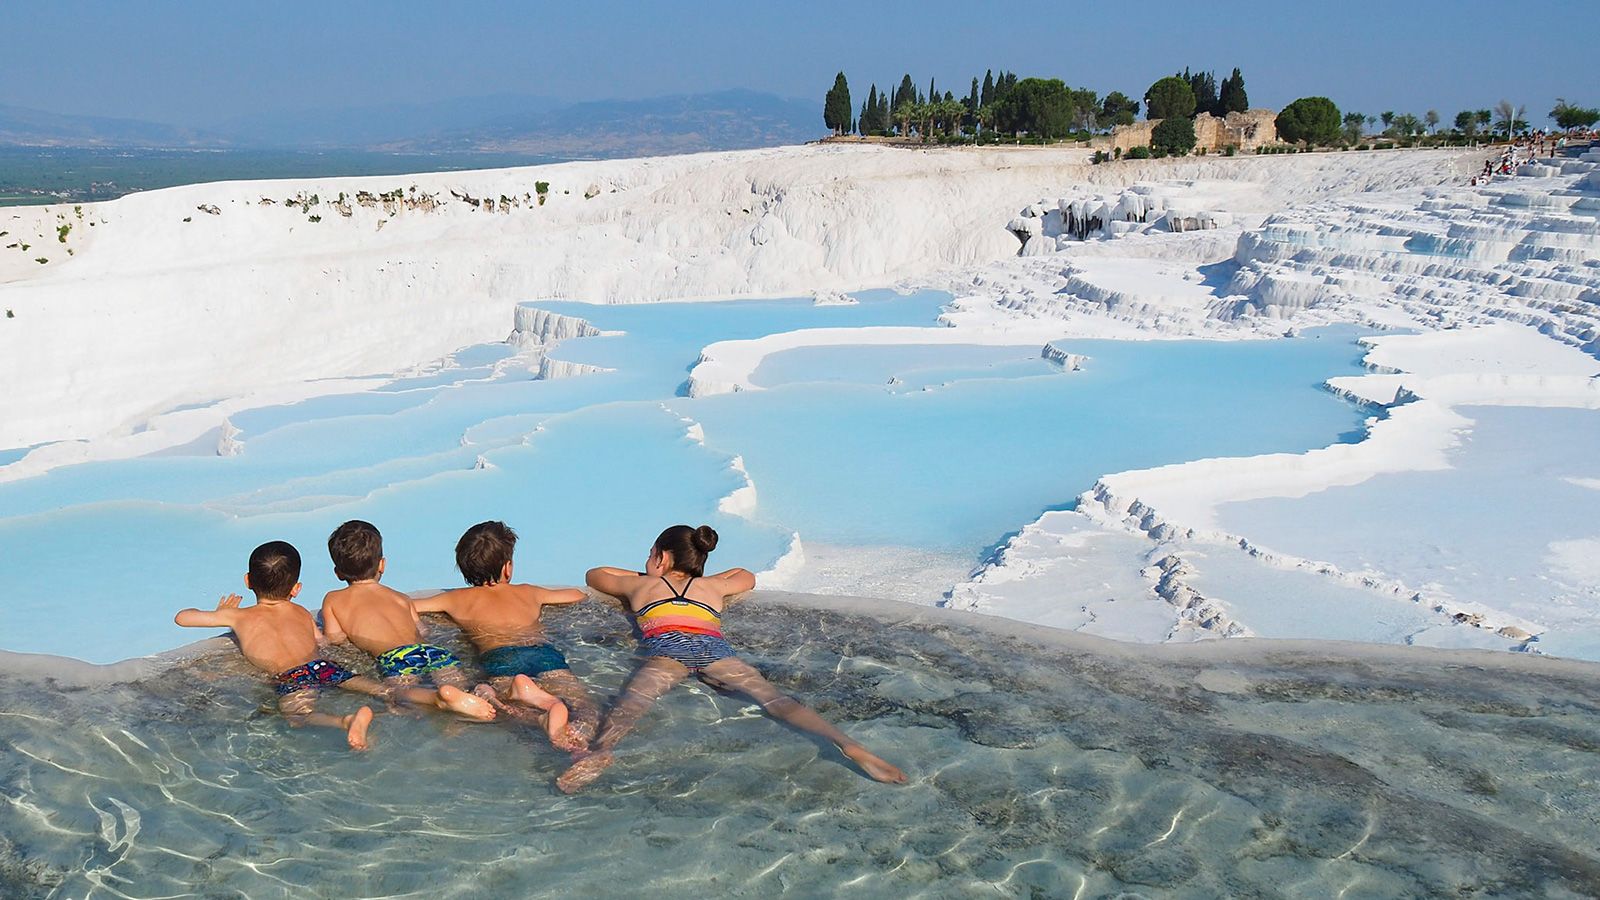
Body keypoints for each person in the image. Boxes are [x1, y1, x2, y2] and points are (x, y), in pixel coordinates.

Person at [557, 524, 906, 793]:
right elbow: (745, 576)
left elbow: (596, 574)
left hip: (668, 648)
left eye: (650, 555)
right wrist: (700, 576)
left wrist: (647, 576)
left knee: (634, 702)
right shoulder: (712, 588)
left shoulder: (640, 587)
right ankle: (848, 744)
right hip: (713, 647)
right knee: (775, 700)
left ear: (662, 559)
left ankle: (600, 752)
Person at [174, 540, 378, 750]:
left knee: (299, 716)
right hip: (323, 666)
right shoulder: (301, 611)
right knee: (378, 689)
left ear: (248, 581)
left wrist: (219, 613)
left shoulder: (238, 616)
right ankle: (393, 695)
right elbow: (322, 641)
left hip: (292, 676)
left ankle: (345, 721)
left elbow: (182, 618)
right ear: (296, 589)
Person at [413, 521, 597, 749]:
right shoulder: (529, 592)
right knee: (585, 707)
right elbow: (577, 595)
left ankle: (536, 712)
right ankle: (577, 745)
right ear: (507, 568)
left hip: (499, 659)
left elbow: (407, 605)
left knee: (502, 711)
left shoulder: (454, 599)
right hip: (543, 654)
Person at [319, 520, 496, 722]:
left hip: (398, 657)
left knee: (399, 695)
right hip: (430, 651)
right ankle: (476, 692)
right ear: (382, 564)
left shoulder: (333, 599)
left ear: (338, 572)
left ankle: (436, 698)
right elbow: (422, 630)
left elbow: (334, 638)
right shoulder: (399, 597)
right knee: (455, 682)